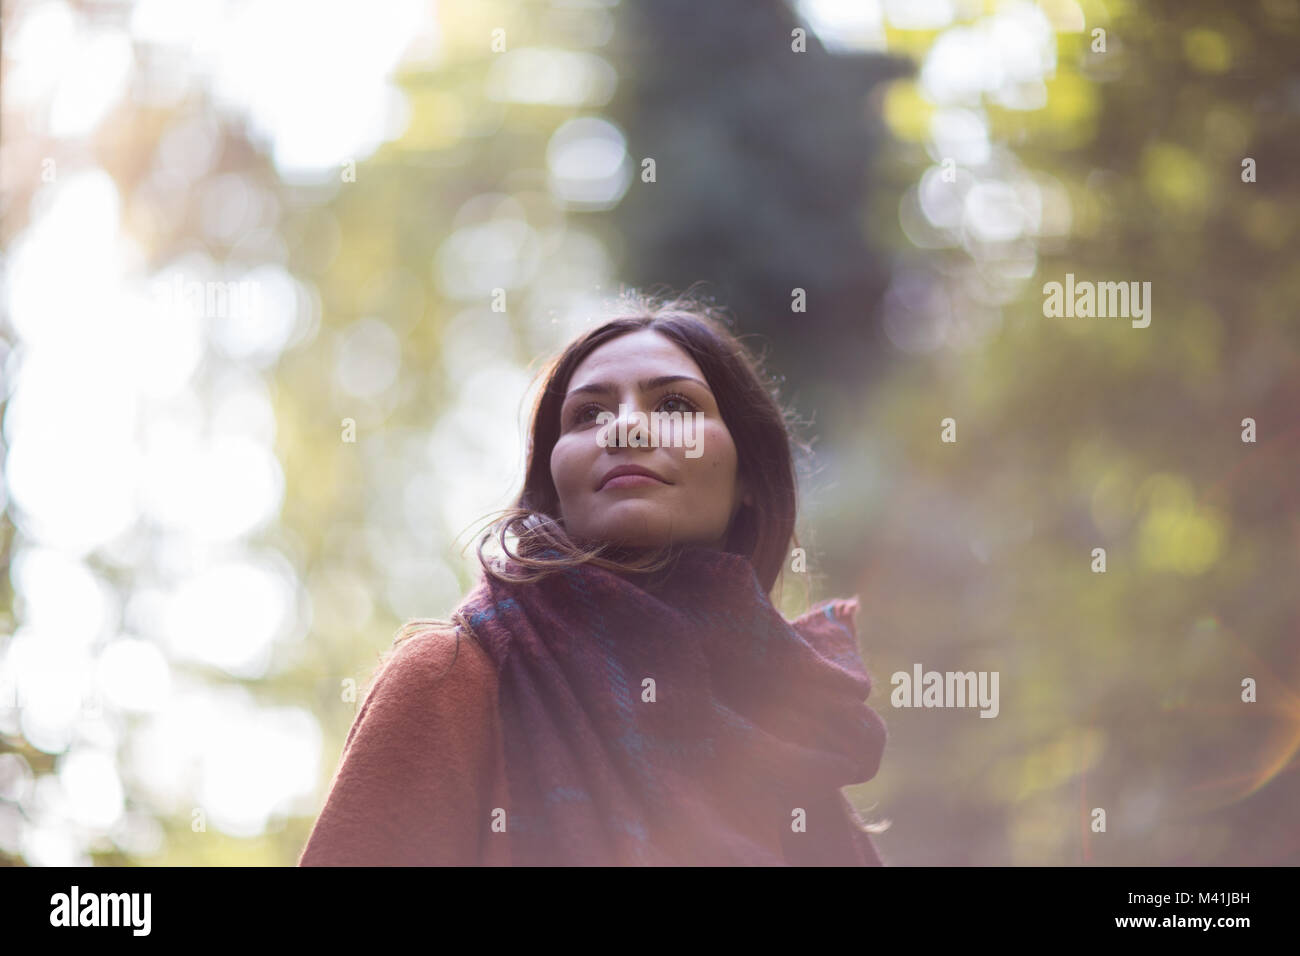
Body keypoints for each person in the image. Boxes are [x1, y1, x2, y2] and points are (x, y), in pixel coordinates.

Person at [298, 290, 889, 866]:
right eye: (588, 414)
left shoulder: (801, 742)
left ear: (750, 479)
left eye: (676, 406)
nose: (626, 428)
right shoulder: (452, 681)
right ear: (554, 483)